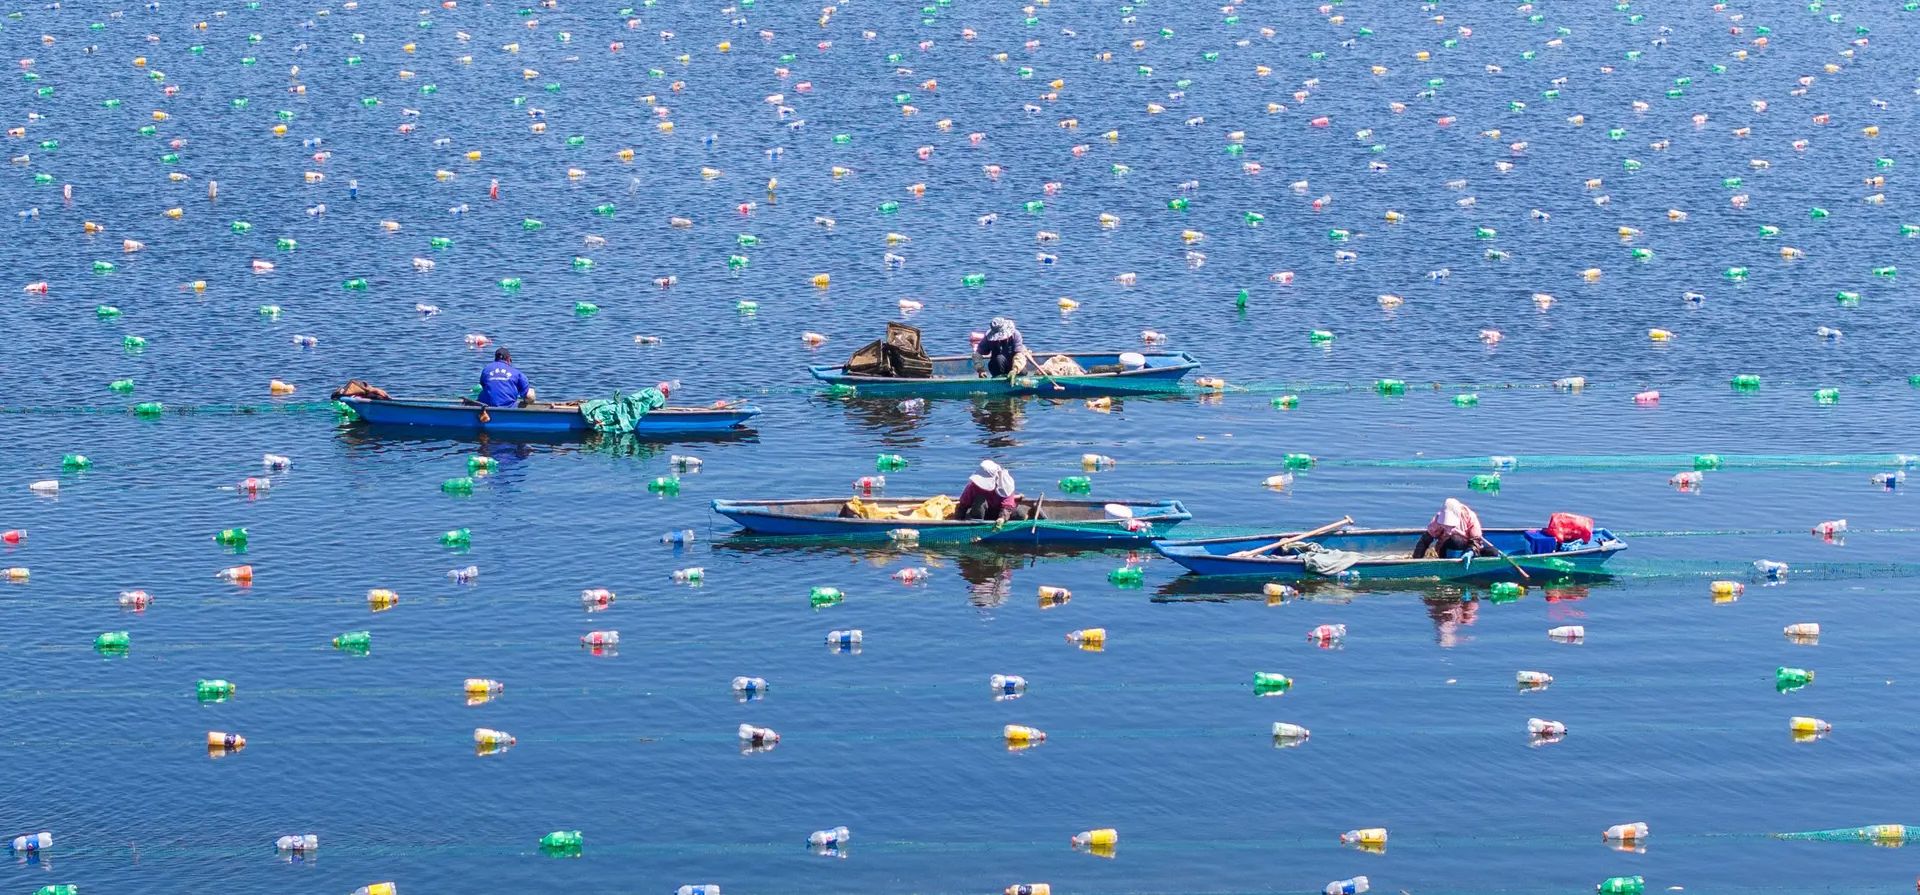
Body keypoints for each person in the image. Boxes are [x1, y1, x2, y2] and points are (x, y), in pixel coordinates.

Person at [1412, 497, 1497, 558]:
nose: (1449, 531)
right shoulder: (1438, 520)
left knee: (1492, 552)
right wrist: (1416, 559)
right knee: (1456, 540)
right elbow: (1425, 540)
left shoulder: (1470, 517)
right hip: (1447, 548)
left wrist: (1470, 551)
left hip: (1467, 548)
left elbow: (1476, 539)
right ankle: (1451, 563)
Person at [956, 460, 1020, 522]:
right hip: (978, 515)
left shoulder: (1006, 485)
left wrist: (1002, 518)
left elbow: (1007, 505)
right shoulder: (973, 486)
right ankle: (976, 525)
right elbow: (963, 505)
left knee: (1020, 514)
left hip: (1001, 514)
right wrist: (959, 520)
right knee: (980, 500)